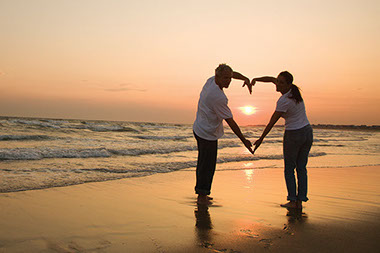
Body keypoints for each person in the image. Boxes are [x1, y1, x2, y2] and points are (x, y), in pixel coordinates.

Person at [249, 71, 313, 209]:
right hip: (307, 131)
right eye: (278, 81)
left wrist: (261, 139)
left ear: (288, 84)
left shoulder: (284, 100)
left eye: (281, 82)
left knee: (289, 168)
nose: (277, 84)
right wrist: (256, 79)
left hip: (294, 134)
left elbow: (272, 122)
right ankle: (300, 201)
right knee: (301, 168)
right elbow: (271, 79)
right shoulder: (294, 93)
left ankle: (292, 200)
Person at [193, 64, 253, 204]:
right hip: (206, 132)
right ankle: (202, 196)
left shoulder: (210, 80)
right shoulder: (217, 97)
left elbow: (232, 74)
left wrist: (244, 78)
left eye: (230, 78)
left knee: (204, 163)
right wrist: (244, 140)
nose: (229, 81)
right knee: (207, 165)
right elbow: (230, 121)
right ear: (218, 76)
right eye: (225, 78)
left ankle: (202, 192)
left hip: (200, 127)